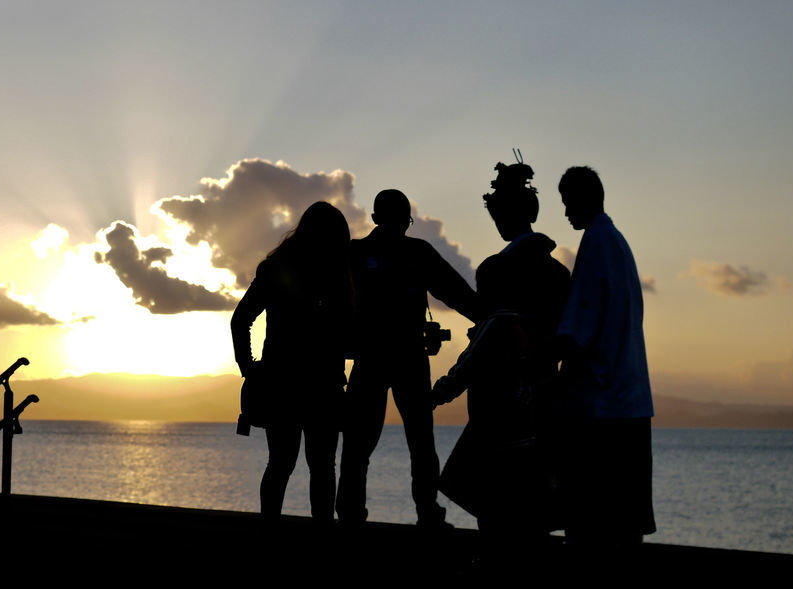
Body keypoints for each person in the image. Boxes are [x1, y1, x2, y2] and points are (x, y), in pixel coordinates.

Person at [430, 160, 570, 562]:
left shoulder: (495, 269)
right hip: (541, 403)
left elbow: (489, 337)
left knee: (493, 505)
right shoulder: (559, 273)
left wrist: (444, 389)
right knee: (534, 506)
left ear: (505, 215)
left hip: (495, 404)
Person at [335, 189, 480, 527]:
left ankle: (352, 513)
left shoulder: (357, 253)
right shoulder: (413, 253)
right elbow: (460, 295)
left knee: (366, 443)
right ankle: (424, 513)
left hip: (378, 359)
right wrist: (493, 317)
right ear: (405, 219)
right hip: (400, 359)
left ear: (375, 218)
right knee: (414, 441)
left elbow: (458, 294)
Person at [554, 166, 655, 553]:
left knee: (589, 514)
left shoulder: (596, 243)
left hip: (601, 406)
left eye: (567, 204)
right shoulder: (616, 242)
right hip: (629, 400)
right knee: (626, 517)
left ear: (581, 199)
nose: (565, 214)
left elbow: (578, 331)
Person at [231, 201, 353, 521]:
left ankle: (270, 531)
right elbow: (346, 331)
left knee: (281, 463)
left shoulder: (276, 266)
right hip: (322, 382)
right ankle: (321, 536)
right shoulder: (339, 273)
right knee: (322, 466)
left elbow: (241, 318)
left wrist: (250, 368)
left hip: (280, 381)